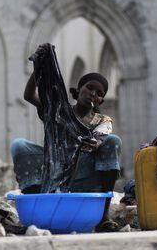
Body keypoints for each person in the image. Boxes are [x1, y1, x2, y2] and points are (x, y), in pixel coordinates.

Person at [10, 45, 122, 232]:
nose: (93, 93)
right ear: (79, 90)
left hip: (84, 176)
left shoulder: (103, 120)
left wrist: (95, 143)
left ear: (101, 101)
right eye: (90, 88)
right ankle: (39, 207)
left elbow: (103, 136)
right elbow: (29, 95)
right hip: (53, 170)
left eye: (99, 93)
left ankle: (103, 216)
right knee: (19, 145)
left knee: (114, 141)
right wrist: (39, 69)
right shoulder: (58, 111)